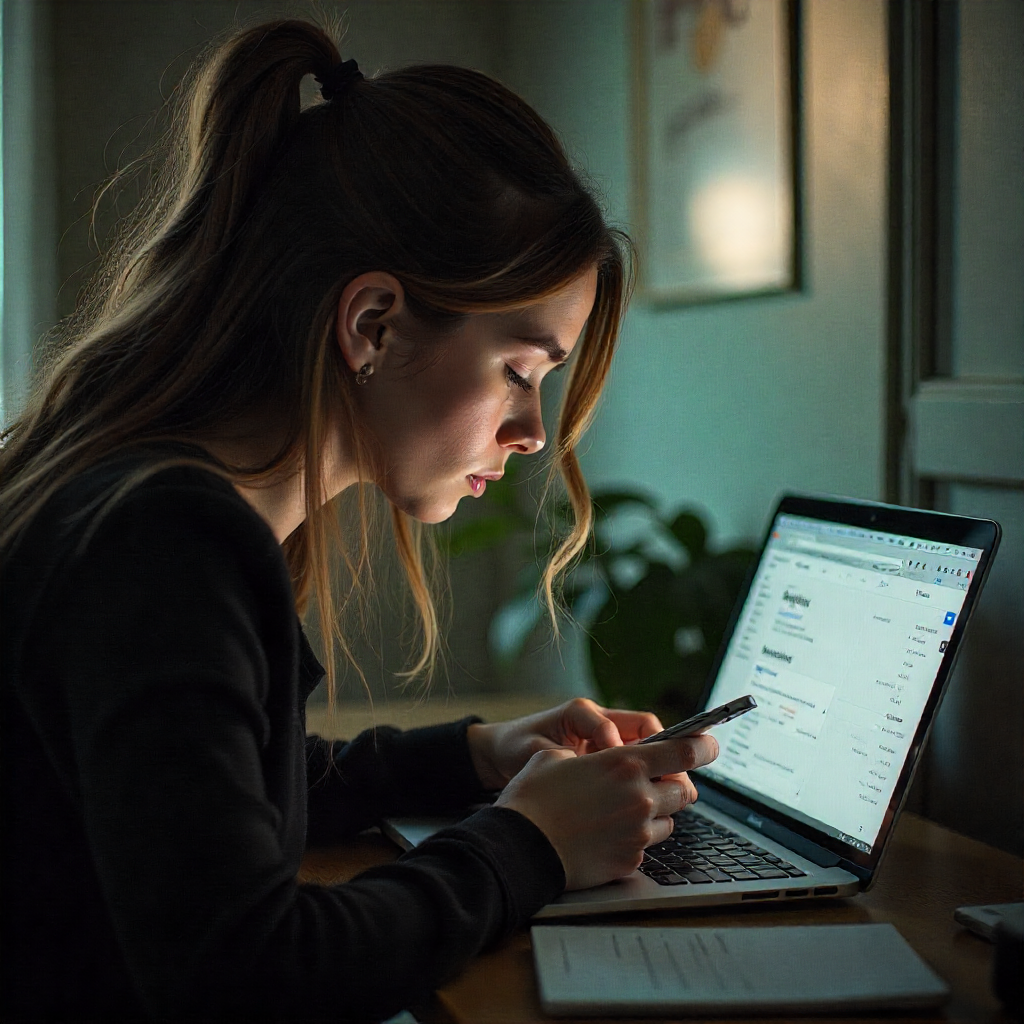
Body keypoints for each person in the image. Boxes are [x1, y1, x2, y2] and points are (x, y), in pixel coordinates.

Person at [0, 18, 719, 1023]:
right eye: (520, 371)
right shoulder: (165, 542)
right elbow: (244, 974)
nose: (529, 432)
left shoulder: (142, 497)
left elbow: (205, 805)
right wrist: (529, 846)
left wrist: (479, 755)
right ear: (371, 323)